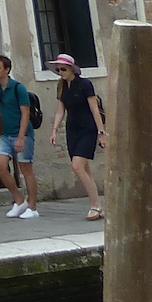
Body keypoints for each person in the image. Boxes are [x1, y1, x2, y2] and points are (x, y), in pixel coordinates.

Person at [49, 53, 108, 219]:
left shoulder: (85, 84)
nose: (60, 72)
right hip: (72, 129)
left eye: (63, 69)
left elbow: (94, 109)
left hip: (88, 128)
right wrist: (55, 130)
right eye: (58, 69)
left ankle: (95, 205)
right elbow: (61, 110)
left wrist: (101, 132)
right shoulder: (61, 87)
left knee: (77, 166)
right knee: (84, 168)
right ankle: (98, 205)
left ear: (72, 69)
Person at [0, 55, 40, 219]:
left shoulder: (19, 88)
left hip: (22, 134)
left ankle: (33, 207)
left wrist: (21, 137)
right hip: (6, 134)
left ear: (7, 70)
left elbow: (25, 114)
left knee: (26, 170)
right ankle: (19, 200)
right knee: (0, 166)